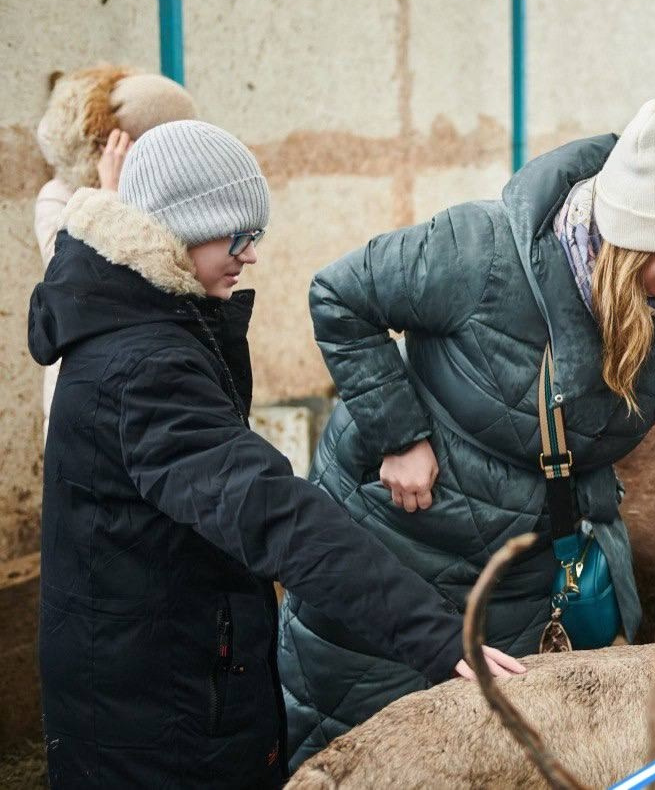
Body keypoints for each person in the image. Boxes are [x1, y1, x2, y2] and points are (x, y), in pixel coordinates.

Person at [279, 96, 655, 767]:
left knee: (496, 764)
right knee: (365, 758)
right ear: (632, 233)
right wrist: (397, 434)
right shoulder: (479, 253)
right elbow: (338, 296)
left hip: (527, 574)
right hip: (401, 558)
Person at [28, 121, 510, 788]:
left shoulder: (133, 316)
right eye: (239, 236)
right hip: (156, 712)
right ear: (181, 227)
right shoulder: (144, 363)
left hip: (151, 663)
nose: (250, 255)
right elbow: (272, 509)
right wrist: (435, 636)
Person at [34, 65, 197, 439]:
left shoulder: (163, 201)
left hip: (152, 387)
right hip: (85, 396)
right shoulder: (59, 196)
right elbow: (71, 277)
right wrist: (111, 194)